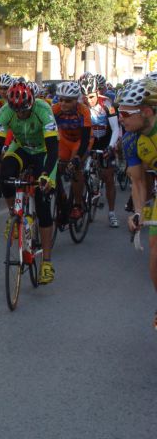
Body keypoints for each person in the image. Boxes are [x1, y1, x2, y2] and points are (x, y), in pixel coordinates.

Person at [0, 82, 59, 285]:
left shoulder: (43, 110)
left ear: (31, 103)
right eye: (18, 112)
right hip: (22, 148)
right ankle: (13, 216)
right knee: (5, 174)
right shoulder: (7, 111)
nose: (21, 115)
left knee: (42, 203)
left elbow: (53, 150)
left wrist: (46, 175)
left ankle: (47, 263)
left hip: (44, 152)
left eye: (24, 111)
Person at [117, 77, 157, 329]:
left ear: (147, 112)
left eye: (125, 114)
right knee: (154, 244)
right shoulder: (131, 139)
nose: (121, 118)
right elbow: (139, 182)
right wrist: (140, 213)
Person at [78, 73, 120, 227]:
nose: (88, 101)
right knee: (79, 171)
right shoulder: (80, 104)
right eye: (85, 97)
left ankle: (111, 213)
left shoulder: (108, 104)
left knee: (108, 177)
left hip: (105, 140)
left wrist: (110, 146)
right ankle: (80, 202)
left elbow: (115, 129)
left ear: (97, 92)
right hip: (89, 139)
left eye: (91, 96)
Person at [52, 81, 92, 220]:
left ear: (76, 100)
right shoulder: (55, 109)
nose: (63, 103)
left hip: (80, 141)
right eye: (60, 99)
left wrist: (77, 159)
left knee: (75, 168)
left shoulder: (84, 111)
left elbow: (86, 139)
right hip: (64, 139)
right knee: (58, 167)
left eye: (68, 101)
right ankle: (62, 196)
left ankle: (77, 205)